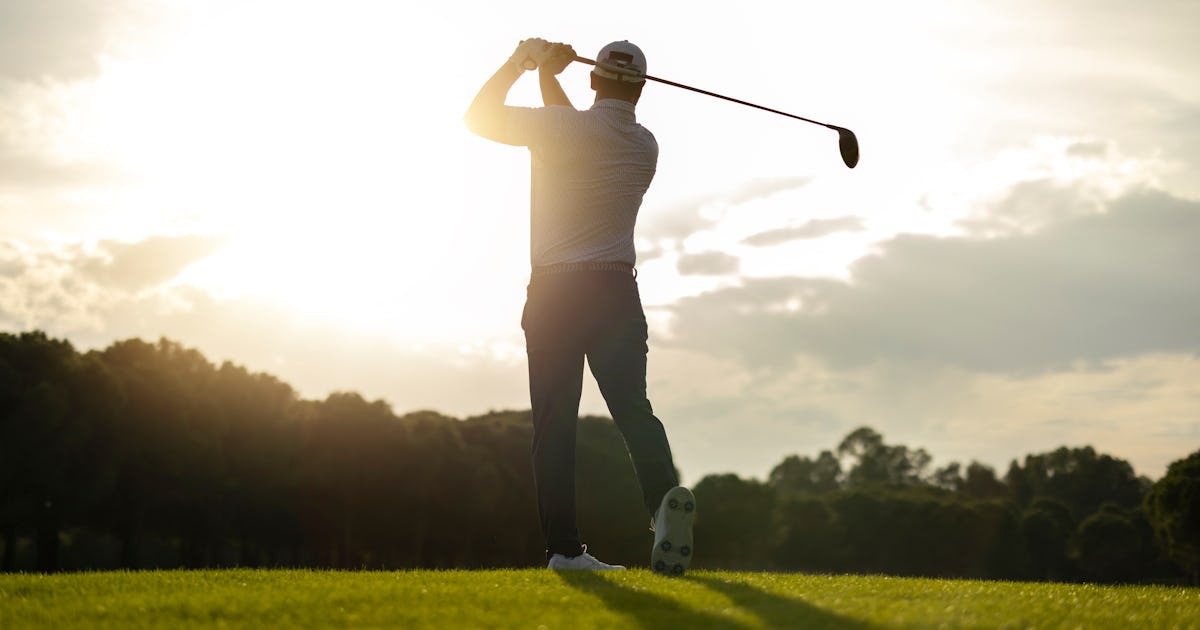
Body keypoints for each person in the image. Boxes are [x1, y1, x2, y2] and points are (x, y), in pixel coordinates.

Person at [464, 39, 696, 574]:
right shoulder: (645, 145)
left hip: (555, 294)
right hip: (615, 293)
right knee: (633, 410)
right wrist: (551, 76)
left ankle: (565, 551)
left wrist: (524, 63)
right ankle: (662, 504)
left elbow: (479, 118)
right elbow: (572, 130)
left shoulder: (559, 131)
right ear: (640, 88)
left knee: (555, 423)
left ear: (593, 80)